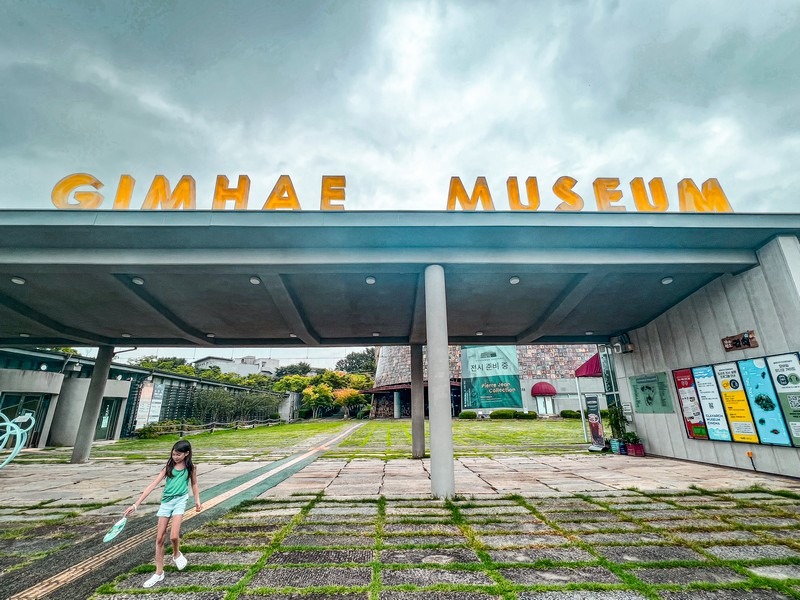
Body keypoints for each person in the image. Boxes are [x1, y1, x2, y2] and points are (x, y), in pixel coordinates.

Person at [124, 439, 202, 588]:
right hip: (166, 503)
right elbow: (153, 484)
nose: (175, 457)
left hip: (180, 501)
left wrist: (197, 500)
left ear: (186, 454)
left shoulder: (191, 467)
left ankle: (176, 554)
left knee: (174, 536)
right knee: (159, 538)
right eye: (173, 454)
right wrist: (136, 504)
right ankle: (158, 573)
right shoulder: (169, 466)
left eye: (178, 455)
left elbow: (194, 483)